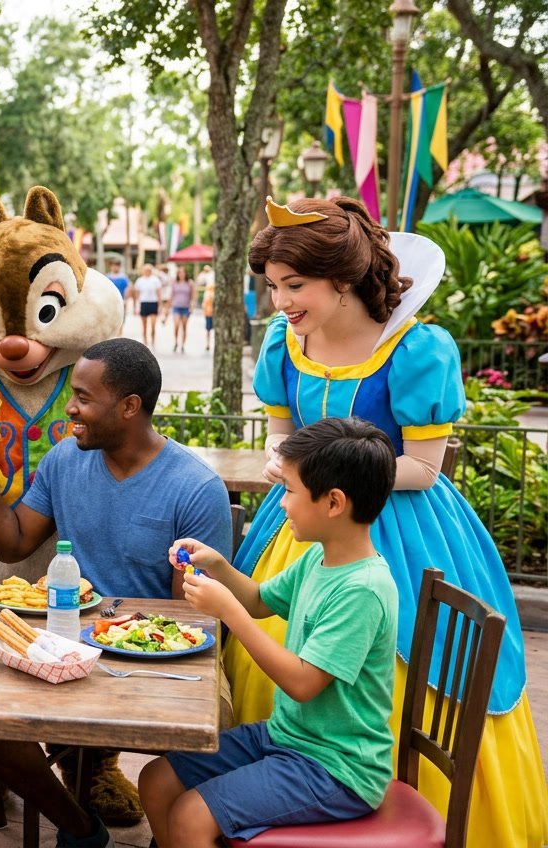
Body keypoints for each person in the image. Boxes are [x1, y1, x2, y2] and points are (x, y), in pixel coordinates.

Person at [231, 196, 547, 847]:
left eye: (295, 285)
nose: (280, 301)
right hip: (302, 521)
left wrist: (326, 473)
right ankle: (261, 802)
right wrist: (279, 458)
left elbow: (424, 468)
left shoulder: (416, 349)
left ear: (342, 279)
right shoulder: (283, 343)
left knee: (420, 665)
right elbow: (281, 433)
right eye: (273, 286)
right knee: (270, 640)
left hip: (397, 526)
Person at [0, 338, 234, 846]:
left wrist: (119, 637)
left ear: (129, 407)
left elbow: (191, 619)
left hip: (157, 665)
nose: (70, 408)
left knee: (209, 733)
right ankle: (81, 828)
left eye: (83, 397)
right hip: (69, 651)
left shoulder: (195, 488)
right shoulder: (65, 460)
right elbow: (14, 543)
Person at [142, 418, 399, 847]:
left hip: (338, 767)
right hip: (287, 737)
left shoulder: (363, 590)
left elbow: (303, 683)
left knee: (191, 816)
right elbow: (260, 601)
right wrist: (218, 565)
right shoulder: (319, 559)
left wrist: (227, 610)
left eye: (290, 491)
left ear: (333, 502)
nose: (282, 503)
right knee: (157, 780)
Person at [133, 264, 161, 348]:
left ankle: (153, 340)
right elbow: (136, 293)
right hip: (144, 302)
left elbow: (159, 293)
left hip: (153, 302)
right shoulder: (140, 280)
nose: (147, 271)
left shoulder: (155, 280)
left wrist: (160, 305)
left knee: (153, 324)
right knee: (144, 325)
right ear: (143, 271)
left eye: (149, 270)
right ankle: (145, 340)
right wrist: (136, 306)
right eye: (146, 270)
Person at [170, 267, 195, 353]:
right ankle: (176, 342)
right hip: (176, 306)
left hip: (186, 307)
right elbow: (171, 295)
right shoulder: (174, 283)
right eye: (179, 272)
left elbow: (193, 295)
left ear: (185, 273)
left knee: (184, 326)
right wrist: (166, 309)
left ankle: (183, 345)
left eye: (183, 272)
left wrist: (192, 305)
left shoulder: (190, 283)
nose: (181, 274)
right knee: (176, 325)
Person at [199, 269, 216, 352]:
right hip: (209, 312)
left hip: (214, 313)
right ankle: (208, 343)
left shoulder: (213, 291)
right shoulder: (208, 292)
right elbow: (204, 303)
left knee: (211, 329)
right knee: (208, 329)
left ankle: (210, 343)